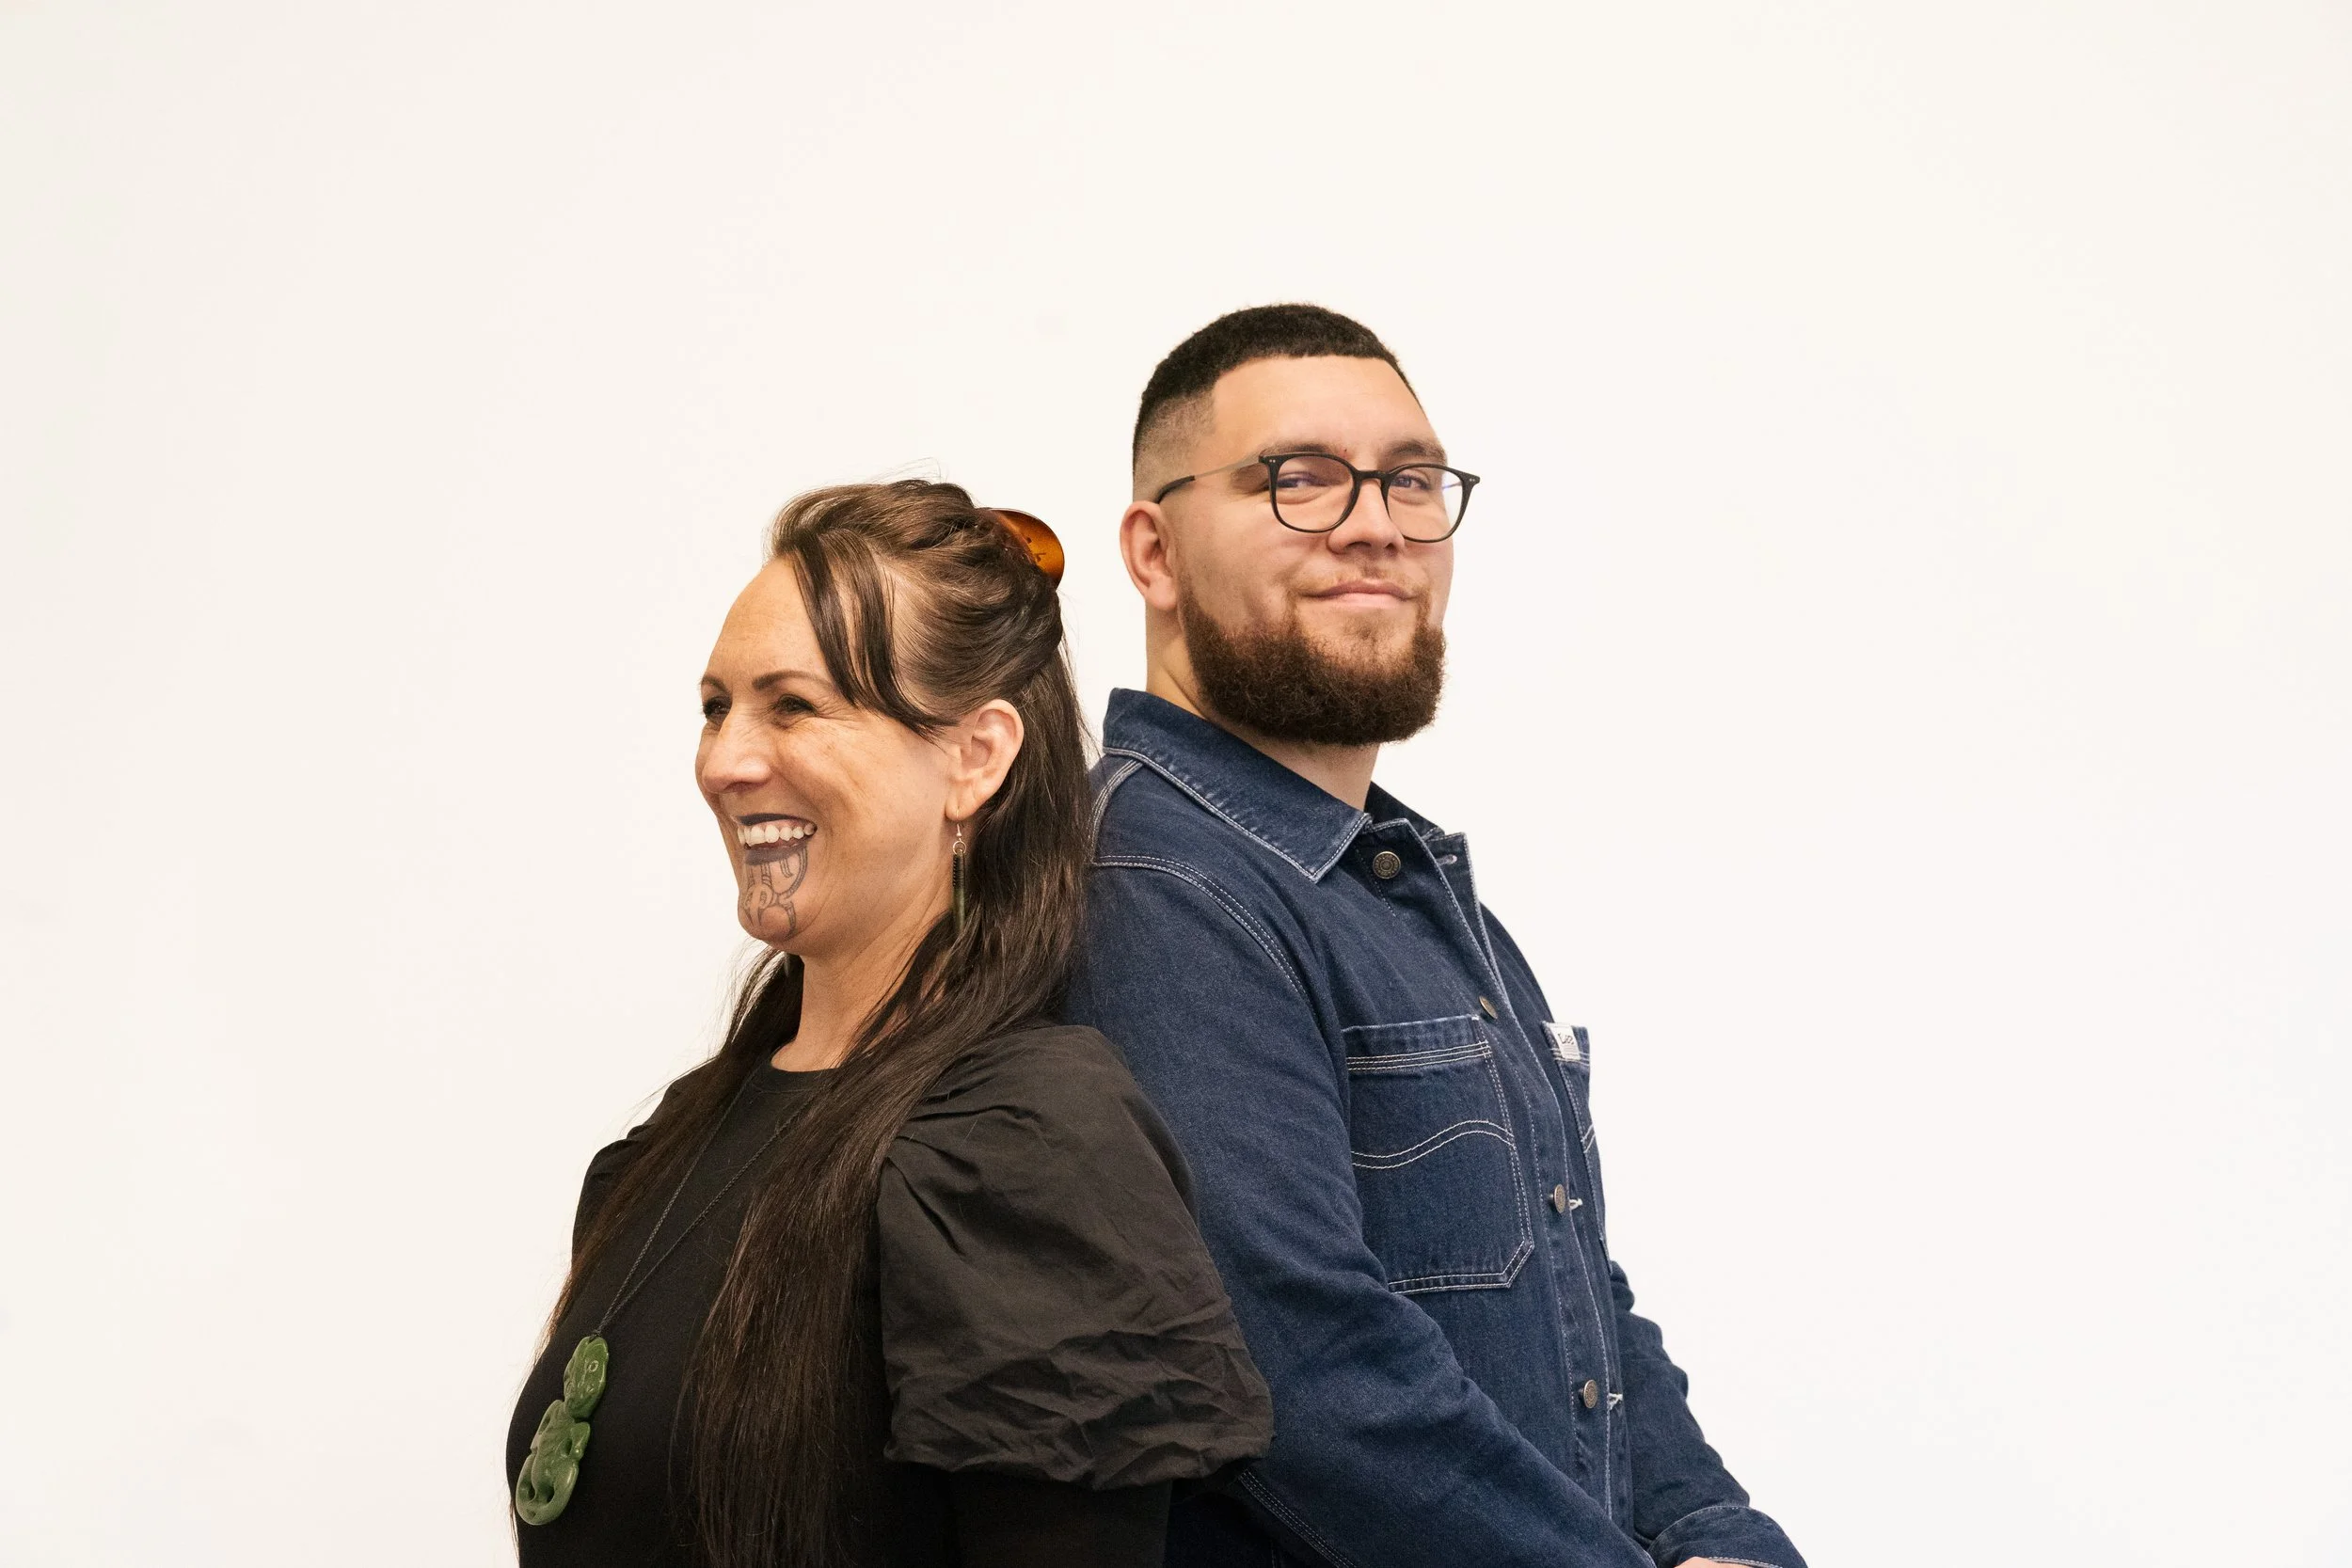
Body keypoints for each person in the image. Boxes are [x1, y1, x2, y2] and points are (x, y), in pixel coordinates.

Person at [1065, 305, 1807, 1568]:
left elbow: (1583, 1301)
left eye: (1411, 479)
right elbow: (1302, 1377)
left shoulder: (1399, 881)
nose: (1375, 522)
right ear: (1154, 550)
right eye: (1296, 480)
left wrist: (1713, 1531)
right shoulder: (1154, 880)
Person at [506, 481, 1272, 1568]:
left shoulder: (1023, 1148)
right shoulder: (680, 1134)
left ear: (975, 755)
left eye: (795, 705)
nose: (724, 760)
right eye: (717, 704)